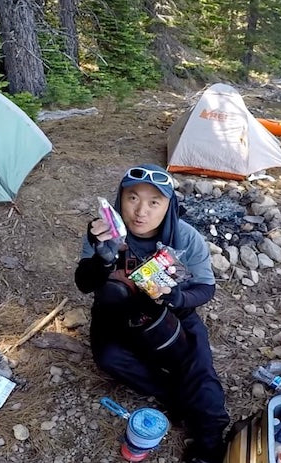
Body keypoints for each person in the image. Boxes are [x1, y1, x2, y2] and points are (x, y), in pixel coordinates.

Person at [75, 164, 230, 463]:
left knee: (198, 370)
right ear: (119, 199)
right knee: (108, 358)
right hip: (115, 311)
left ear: (169, 205)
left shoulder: (186, 238)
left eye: (154, 202)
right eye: (132, 198)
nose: (140, 212)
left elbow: (206, 289)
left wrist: (176, 297)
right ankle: (174, 398)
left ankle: (210, 438)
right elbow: (84, 284)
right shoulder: (103, 231)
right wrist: (102, 259)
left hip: (172, 311)